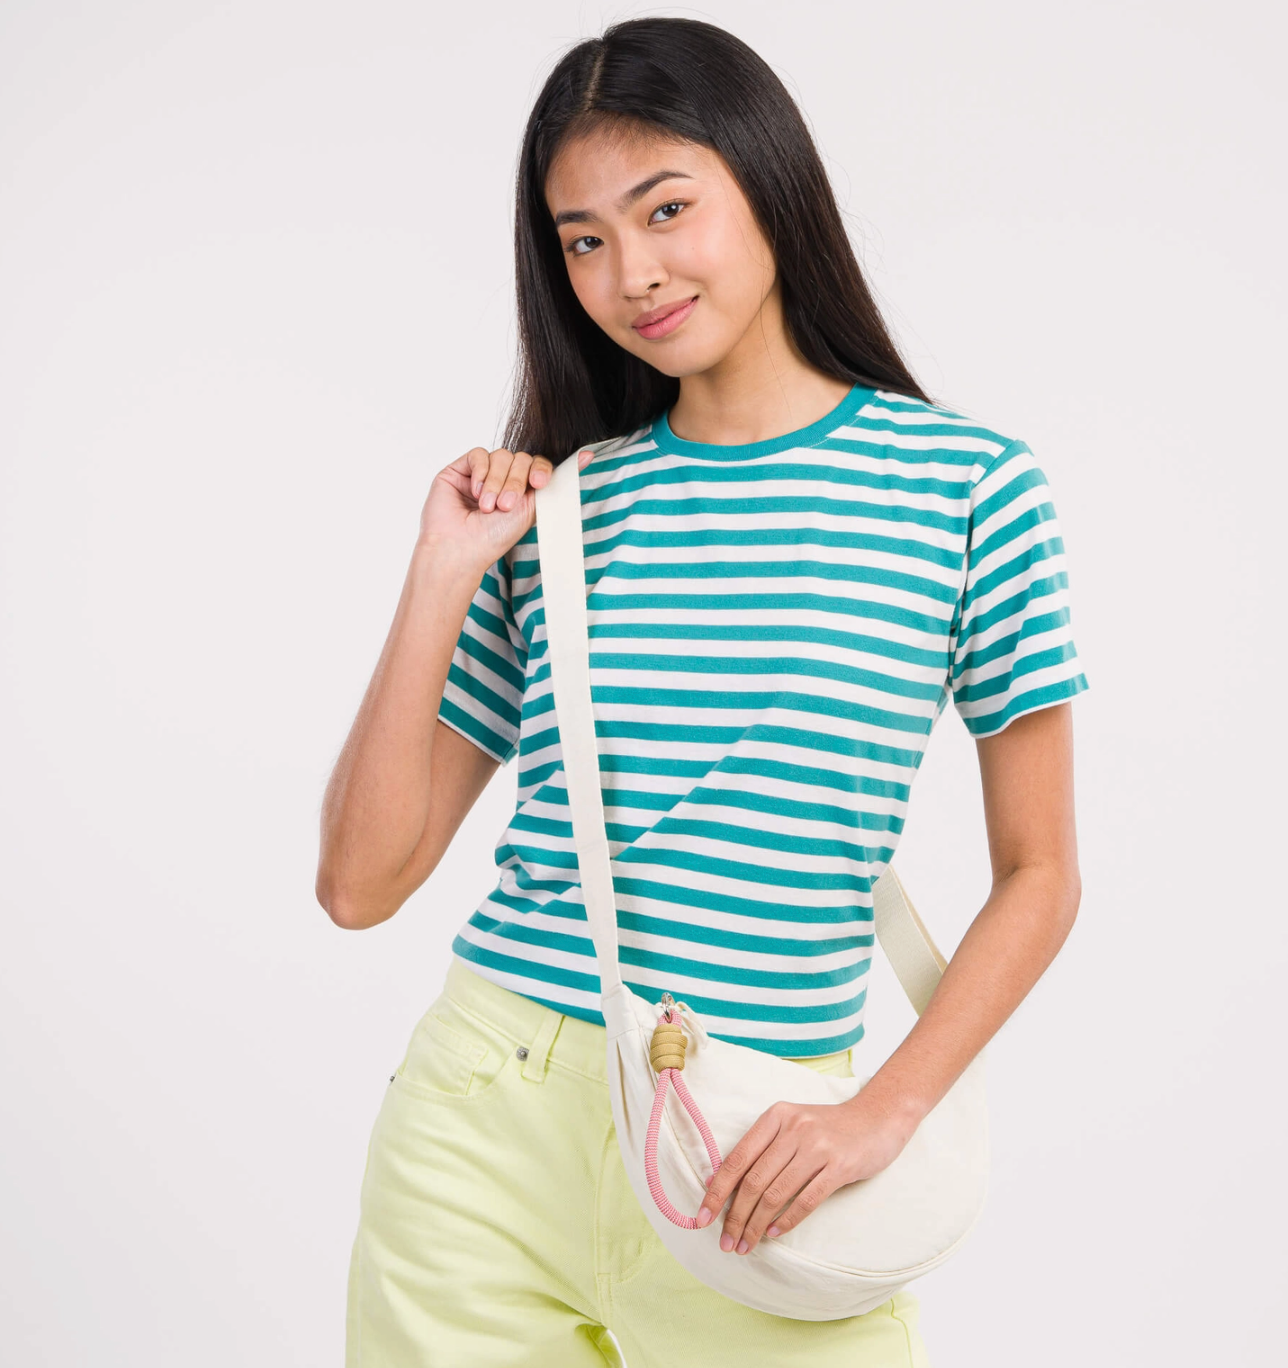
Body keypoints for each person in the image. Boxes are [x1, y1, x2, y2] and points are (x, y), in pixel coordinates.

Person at [316, 15, 1089, 1366]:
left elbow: (1043, 872)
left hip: (768, 1144)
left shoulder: (969, 489)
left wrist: (884, 1110)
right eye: (583, 240)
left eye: (666, 209)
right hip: (490, 1123)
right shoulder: (562, 511)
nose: (632, 274)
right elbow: (359, 884)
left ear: (770, 182)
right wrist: (441, 574)